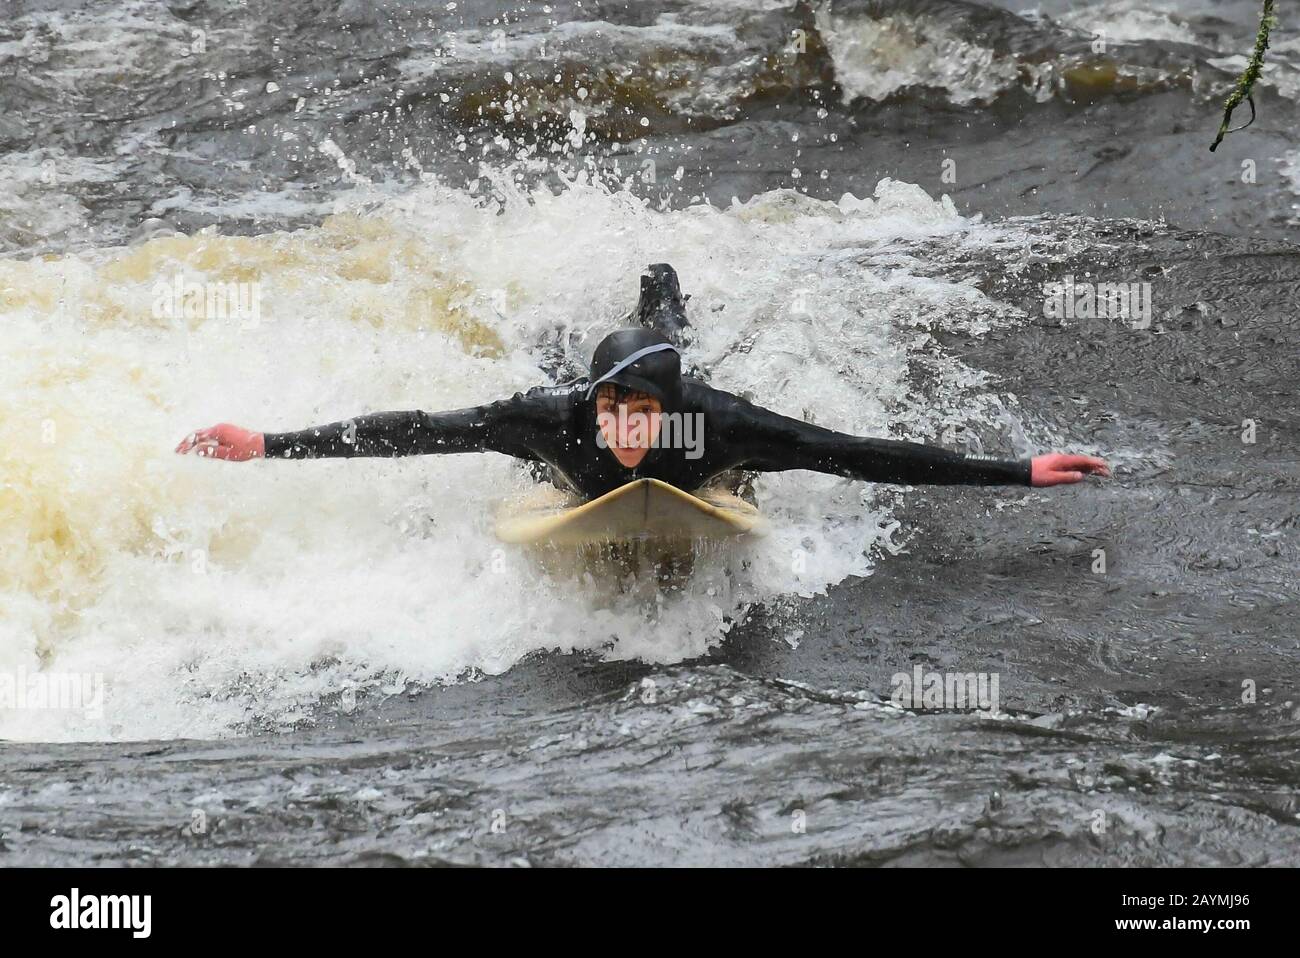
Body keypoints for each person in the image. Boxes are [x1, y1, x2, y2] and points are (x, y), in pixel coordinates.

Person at [176, 264, 1110, 497]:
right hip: (561, 411)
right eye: (613, 406)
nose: (624, 424)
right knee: (557, 367)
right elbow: (416, 428)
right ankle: (611, 326)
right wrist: (267, 442)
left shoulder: (720, 424)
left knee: (664, 332)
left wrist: (1016, 471)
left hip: (693, 411)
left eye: (640, 410)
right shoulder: (553, 419)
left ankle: (662, 300)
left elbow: (858, 455)